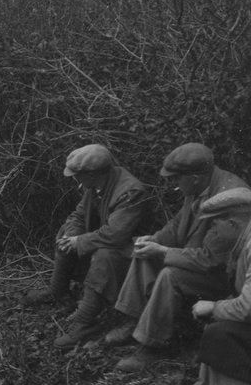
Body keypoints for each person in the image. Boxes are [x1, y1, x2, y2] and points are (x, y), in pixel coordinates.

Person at [107, 143, 251, 371]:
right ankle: (132, 318)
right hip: (200, 263)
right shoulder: (199, 185)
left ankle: (151, 345)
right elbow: (177, 225)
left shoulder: (231, 203)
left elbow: (210, 260)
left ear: (194, 177)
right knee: (144, 251)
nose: (173, 184)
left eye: (176, 179)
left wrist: (164, 252)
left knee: (170, 275)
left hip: (222, 279)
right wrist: (155, 240)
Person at [22, 144, 150, 348]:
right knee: (67, 231)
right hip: (113, 242)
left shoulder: (130, 190)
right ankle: (57, 290)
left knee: (103, 255)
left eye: (77, 175)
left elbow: (116, 235)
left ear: (91, 174)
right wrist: (71, 236)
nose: (75, 180)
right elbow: (78, 216)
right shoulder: (97, 185)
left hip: (138, 249)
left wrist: (79, 242)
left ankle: (85, 322)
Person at [181, 187, 251, 385]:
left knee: (223, 335)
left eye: (214, 225)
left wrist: (213, 306)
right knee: (217, 329)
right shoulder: (243, 240)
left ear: (233, 223)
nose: (212, 233)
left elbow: (246, 308)